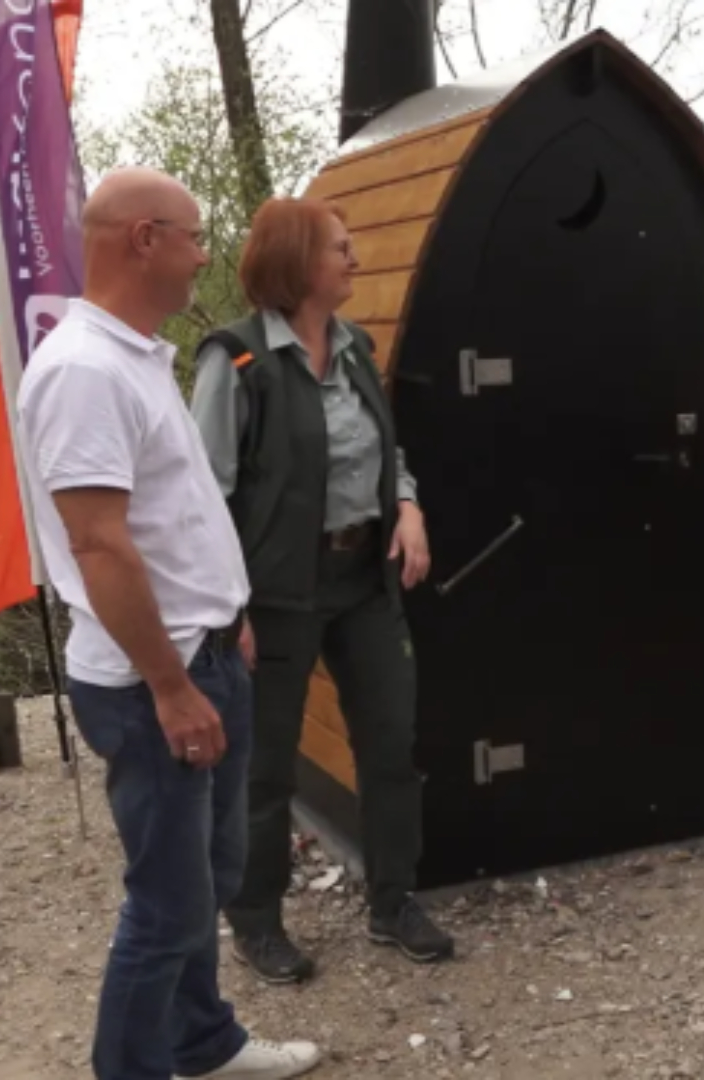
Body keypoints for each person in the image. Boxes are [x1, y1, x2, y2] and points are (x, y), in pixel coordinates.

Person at [15, 167, 322, 1080]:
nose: (205, 255)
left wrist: (226, 621)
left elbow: (177, 514)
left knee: (208, 880)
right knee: (167, 907)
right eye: (192, 235)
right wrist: (172, 685)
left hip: (204, 653)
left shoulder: (137, 355)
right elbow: (100, 544)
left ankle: (203, 1043)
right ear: (143, 239)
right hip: (155, 681)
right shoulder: (81, 372)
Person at [190, 197, 452, 984]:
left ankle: (394, 901)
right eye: (341, 248)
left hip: (363, 580)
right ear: (299, 261)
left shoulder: (357, 347)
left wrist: (406, 505)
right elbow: (201, 497)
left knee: (390, 744)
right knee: (264, 765)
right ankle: (257, 921)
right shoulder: (235, 361)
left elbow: (385, 449)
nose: (356, 259)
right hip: (273, 592)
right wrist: (225, 611)